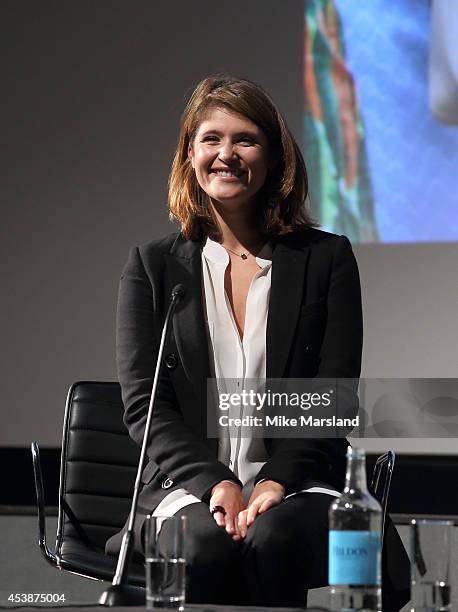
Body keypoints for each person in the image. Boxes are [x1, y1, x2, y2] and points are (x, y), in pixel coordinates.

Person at [105, 74, 410, 609]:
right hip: (187, 489)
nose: (227, 154)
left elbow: (330, 399)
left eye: (245, 139)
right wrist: (217, 484)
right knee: (204, 544)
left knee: (275, 539)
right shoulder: (152, 268)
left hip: (303, 481)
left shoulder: (326, 260)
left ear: (274, 158)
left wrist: (274, 482)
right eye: (211, 139)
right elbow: (144, 407)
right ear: (189, 155)